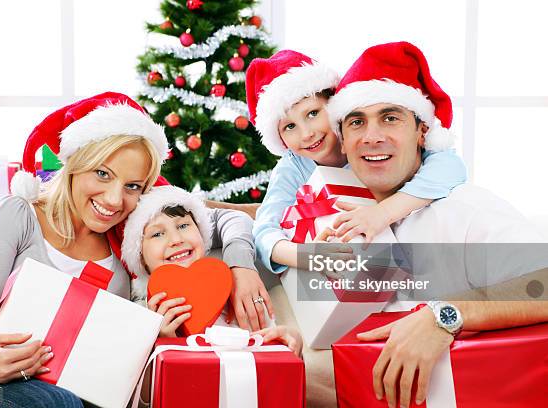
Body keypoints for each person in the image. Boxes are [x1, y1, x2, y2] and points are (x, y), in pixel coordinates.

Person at [327, 41, 548, 408]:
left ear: (422, 132)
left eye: (390, 117)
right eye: (356, 122)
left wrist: (443, 315)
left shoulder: (464, 209)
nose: (372, 136)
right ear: (345, 142)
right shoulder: (338, 215)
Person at [0, 92, 168, 407]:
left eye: (132, 186)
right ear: (73, 165)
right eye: (102, 173)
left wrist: (152, 334)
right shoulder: (19, 215)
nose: (114, 200)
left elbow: (216, 218)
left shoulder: (126, 249)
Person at [246, 50, 468, 274]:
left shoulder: (363, 141)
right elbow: (265, 230)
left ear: (334, 107)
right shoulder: (292, 168)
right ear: (279, 137)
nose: (306, 134)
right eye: (289, 127)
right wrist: (309, 256)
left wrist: (384, 213)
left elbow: (450, 167)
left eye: (313, 113)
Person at [120, 185, 302, 356]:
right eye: (157, 234)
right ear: (140, 257)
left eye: (183, 226)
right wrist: (167, 341)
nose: (176, 239)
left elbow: (271, 349)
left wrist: (288, 338)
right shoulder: (144, 316)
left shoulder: (237, 291)